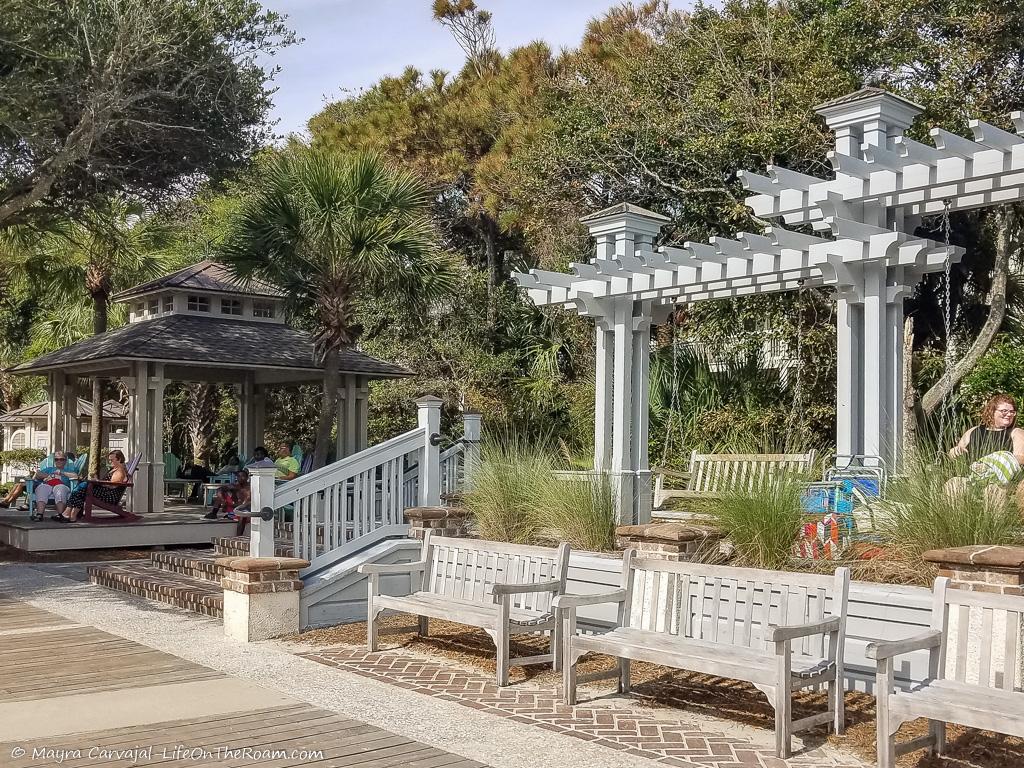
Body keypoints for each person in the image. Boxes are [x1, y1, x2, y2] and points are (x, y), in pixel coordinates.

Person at [949, 394, 1024, 464]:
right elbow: (957, 452)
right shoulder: (974, 431)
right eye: (1004, 411)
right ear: (992, 412)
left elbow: (1020, 458)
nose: (1009, 414)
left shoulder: (1016, 432)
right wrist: (954, 452)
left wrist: (995, 463)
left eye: (1012, 412)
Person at [58, 450, 128, 523]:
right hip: (105, 492)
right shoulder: (114, 469)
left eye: (111, 460)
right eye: (109, 460)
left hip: (109, 496)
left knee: (83, 486)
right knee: (81, 489)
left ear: (119, 459)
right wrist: (97, 481)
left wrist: (98, 482)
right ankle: (71, 515)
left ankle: (68, 514)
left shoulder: (119, 471)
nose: (110, 462)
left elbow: (113, 485)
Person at [33, 451, 78, 522]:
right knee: (42, 488)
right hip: (48, 485)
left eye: (61, 459)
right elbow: (38, 474)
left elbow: (75, 476)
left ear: (65, 461)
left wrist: (61, 473)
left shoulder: (68, 470)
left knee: (60, 488)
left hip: (62, 486)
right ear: (54, 461)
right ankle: (39, 514)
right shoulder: (49, 469)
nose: (59, 461)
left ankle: (61, 515)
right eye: (56, 459)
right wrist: (50, 476)